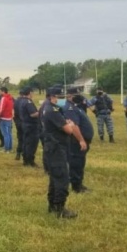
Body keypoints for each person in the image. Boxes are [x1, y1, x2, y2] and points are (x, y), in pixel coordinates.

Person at [41, 88, 87, 218]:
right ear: (53, 96)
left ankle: (52, 205)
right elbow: (68, 130)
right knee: (62, 178)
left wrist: (66, 124)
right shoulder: (53, 110)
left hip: (53, 146)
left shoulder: (47, 107)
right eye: (60, 96)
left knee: (55, 177)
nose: (62, 99)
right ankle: (59, 208)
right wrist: (70, 125)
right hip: (56, 147)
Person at [64, 88, 94, 193]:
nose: (79, 96)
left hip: (81, 140)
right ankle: (76, 186)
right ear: (69, 96)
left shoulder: (75, 106)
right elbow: (74, 126)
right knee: (76, 163)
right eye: (76, 95)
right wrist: (81, 140)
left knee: (80, 162)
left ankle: (79, 183)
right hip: (76, 141)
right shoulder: (69, 108)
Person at [20, 87, 40, 167]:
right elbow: (32, 114)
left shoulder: (22, 101)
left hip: (25, 124)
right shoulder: (28, 102)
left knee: (26, 142)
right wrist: (40, 112)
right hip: (31, 125)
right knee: (32, 144)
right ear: (29, 93)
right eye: (32, 92)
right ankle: (30, 161)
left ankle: (25, 159)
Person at [0, 87, 14, 153]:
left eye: (0, 91)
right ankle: (10, 148)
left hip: (3, 118)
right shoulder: (10, 98)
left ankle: (6, 149)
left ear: (3, 91)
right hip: (9, 117)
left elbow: (1, 109)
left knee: (5, 134)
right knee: (9, 133)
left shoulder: (3, 98)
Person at [13, 89, 26, 160]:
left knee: (20, 138)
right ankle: (24, 153)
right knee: (25, 139)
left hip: (17, 121)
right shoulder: (25, 101)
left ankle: (18, 153)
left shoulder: (16, 101)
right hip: (23, 122)